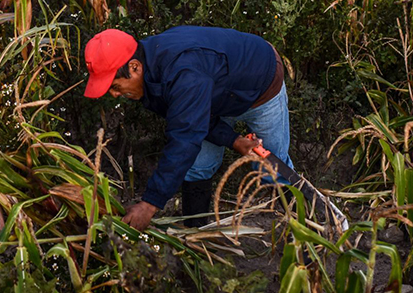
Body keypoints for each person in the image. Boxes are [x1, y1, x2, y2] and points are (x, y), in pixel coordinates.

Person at [83, 26, 294, 231]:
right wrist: (234, 140)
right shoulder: (151, 77)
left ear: (134, 67)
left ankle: (302, 230)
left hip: (261, 85)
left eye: (115, 86)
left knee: (272, 168)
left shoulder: (182, 73)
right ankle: (196, 236)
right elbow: (191, 118)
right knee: (198, 166)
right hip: (214, 94)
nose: (114, 95)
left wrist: (149, 205)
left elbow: (185, 138)